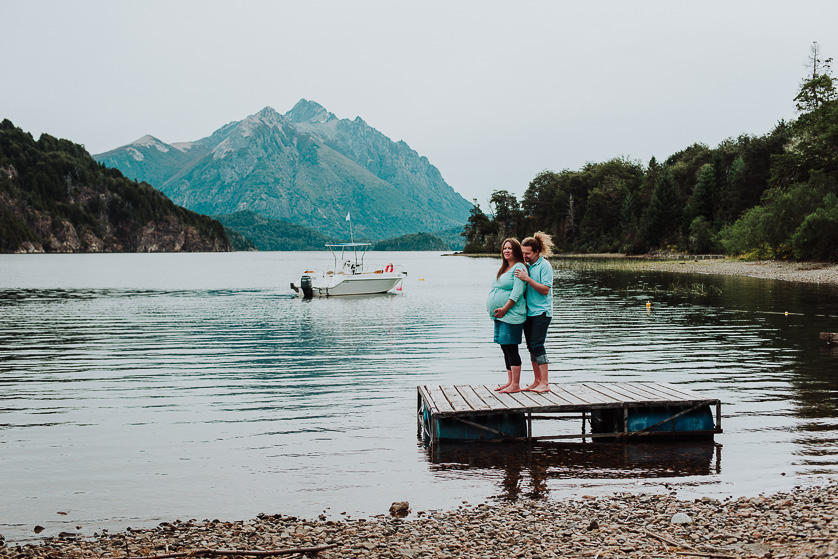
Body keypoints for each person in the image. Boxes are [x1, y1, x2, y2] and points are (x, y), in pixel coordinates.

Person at [486, 238, 528, 393]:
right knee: (505, 347)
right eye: (504, 248)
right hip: (500, 315)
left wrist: (504, 308)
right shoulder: (505, 268)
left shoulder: (519, 267)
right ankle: (509, 381)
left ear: (516, 250)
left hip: (512, 314)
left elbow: (517, 292)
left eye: (510, 248)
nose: (506, 251)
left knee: (511, 348)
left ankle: (516, 385)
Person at [514, 232, 554, 393]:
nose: (525, 256)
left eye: (528, 253)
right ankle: (537, 380)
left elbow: (545, 290)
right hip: (529, 313)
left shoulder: (545, 266)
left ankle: (545, 383)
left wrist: (527, 279)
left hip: (542, 313)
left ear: (537, 252)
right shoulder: (527, 266)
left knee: (538, 345)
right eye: (523, 253)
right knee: (531, 347)